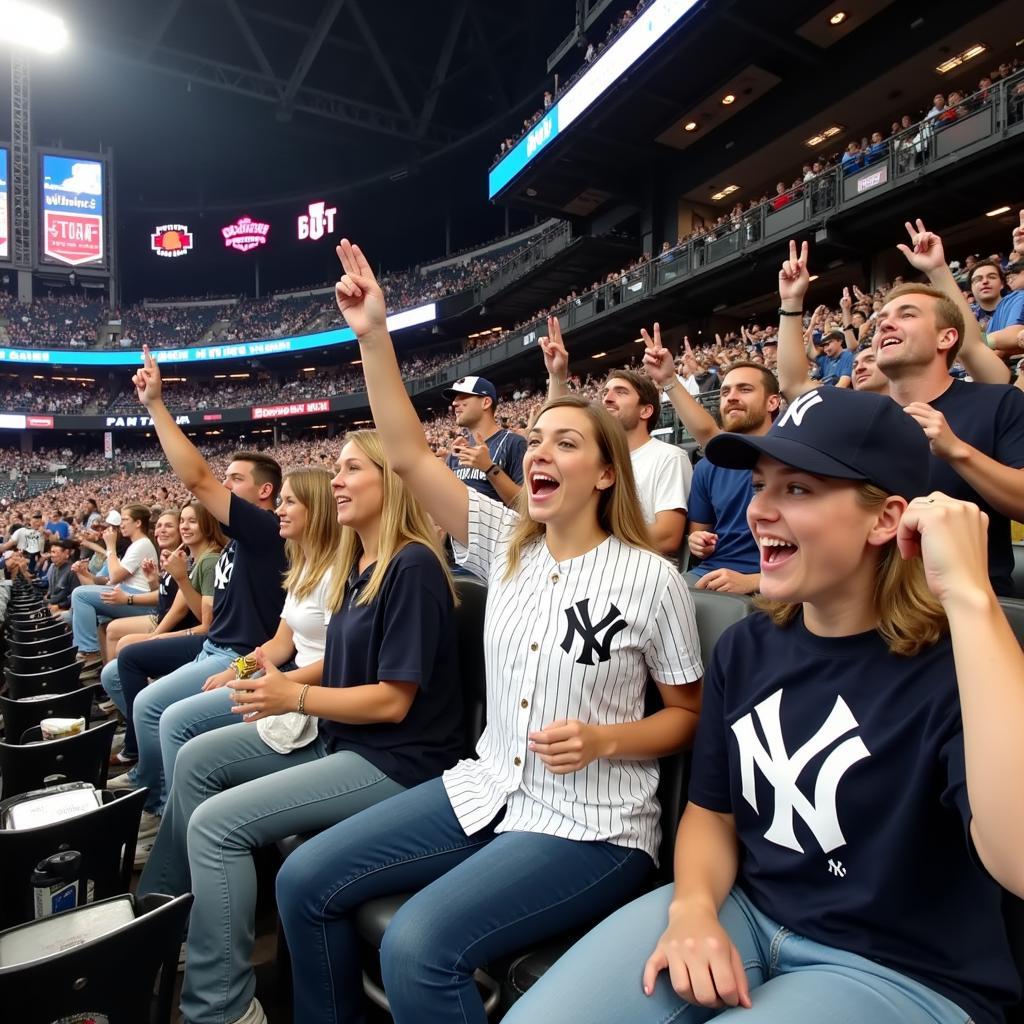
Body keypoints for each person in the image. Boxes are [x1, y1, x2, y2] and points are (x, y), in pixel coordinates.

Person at [274, 240, 704, 1024]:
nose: (540, 451)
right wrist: (373, 334)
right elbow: (404, 452)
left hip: (594, 829)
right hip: (485, 791)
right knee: (303, 882)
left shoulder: (653, 579)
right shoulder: (503, 544)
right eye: (535, 439)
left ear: (606, 473)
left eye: (565, 443)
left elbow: (687, 716)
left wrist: (609, 741)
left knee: (416, 947)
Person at [505, 386, 1023, 1024]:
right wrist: (694, 907)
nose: (759, 513)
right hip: (746, 913)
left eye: (798, 489)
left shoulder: (966, 661)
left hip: (901, 969)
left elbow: (1016, 859)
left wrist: (970, 596)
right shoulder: (747, 645)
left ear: (886, 518)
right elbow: (711, 814)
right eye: (758, 486)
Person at [139, 446, 466, 1024]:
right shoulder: (357, 565)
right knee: (198, 766)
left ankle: (218, 1009)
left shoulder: (411, 566)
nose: (336, 480)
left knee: (217, 826)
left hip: (397, 763)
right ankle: (171, 923)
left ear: (391, 484)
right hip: (349, 741)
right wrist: (262, 679)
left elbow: (393, 701)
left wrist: (293, 695)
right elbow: (318, 658)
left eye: (351, 469)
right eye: (335, 470)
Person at [106, 348, 288, 826]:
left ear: (264, 491)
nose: (222, 486)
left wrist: (156, 406)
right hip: (215, 648)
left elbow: (197, 477)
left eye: (235, 480)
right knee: (126, 672)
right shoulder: (233, 543)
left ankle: (157, 804)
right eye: (225, 478)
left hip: (237, 655)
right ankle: (151, 784)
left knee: (152, 706)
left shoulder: (266, 531)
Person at [642, 327, 778, 594]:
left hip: (770, 576)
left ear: (773, 402)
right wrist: (698, 542)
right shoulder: (708, 465)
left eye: (745, 389)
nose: (732, 397)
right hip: (711, 571)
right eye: (725, 391)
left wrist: (754, 581)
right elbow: (698, 532)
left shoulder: (790, 456)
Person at [543, 316, 690, 556]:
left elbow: (667, 536)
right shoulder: (595, 457)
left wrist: (594, 540)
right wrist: (558, 376)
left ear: (646, 410)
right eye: (605, 392)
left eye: (620, 392)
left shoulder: (668, 457)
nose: (607, 399)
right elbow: (556, 429)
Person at [102, 502, 225, 772]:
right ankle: (141, 737)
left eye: (190, 521)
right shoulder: (192, 560)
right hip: (204, 641)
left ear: (207, 524)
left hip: (214, 647)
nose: (183, 526)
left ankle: (141, 751)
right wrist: (159, 580)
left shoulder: (209, 560)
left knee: (128, 654)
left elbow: (206, 624)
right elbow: (179, 605)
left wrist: (159, 637)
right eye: (182, 521)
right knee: (114, 669)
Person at [68, 504, 158, 674]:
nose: (121, 525)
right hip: (129, 595)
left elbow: (115, 576)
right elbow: (111, 580)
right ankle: (106, 671)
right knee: (101, 619)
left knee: (80, 595)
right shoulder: (137, 544)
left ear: (138, 523)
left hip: (141, 601)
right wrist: (87, 575)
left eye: (125, 520)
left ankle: (89, 652)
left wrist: (110, 546)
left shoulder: (141, 544)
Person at [444, 375, 526, 506]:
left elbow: (524, 505)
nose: (454, 403)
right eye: (454, 398)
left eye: (463, 396)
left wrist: (489, 468)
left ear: (486, 402)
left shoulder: (513, 443)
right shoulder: (457, 451)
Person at [44, 540, 79, 615]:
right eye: (51, 552)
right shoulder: (53, 567)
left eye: (54, 552)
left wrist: (59, 606)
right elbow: (51, 589)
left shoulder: (73, 571)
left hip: (64, 608)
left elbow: (74, 596)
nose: (51, 555)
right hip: (51, 604)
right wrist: (48, 597)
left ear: (66, 553)